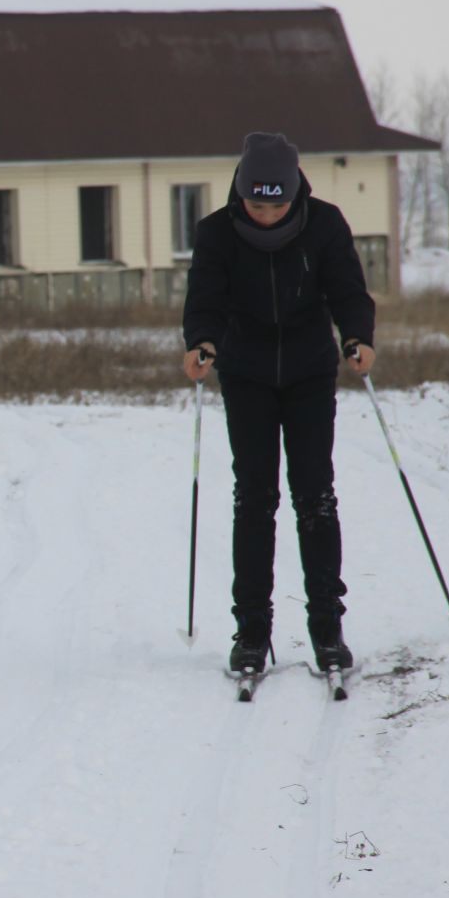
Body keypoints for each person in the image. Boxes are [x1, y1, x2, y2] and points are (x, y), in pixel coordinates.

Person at [182, 132, 376, 677]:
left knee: (314, 496)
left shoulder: (326, 224)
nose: (266, 216)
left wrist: (357, 337)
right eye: (256, 205)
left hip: (310, 372)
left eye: (277, 205)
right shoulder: (216, 233)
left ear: (296, 194)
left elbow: (348, 293)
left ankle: (327, 629)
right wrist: (202, 341)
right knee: (255, 498)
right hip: (246, 375)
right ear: (240, 193)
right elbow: (206, 298)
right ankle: (251, 632)